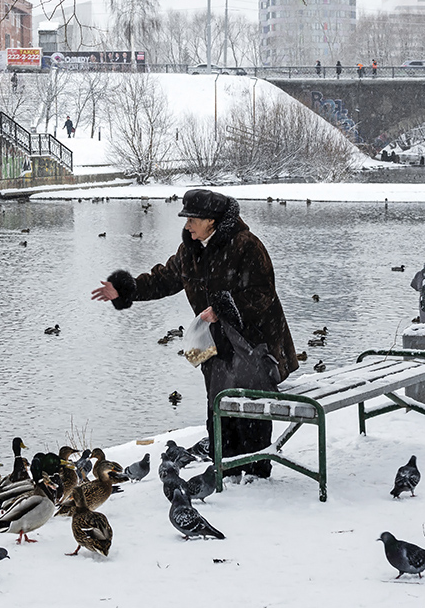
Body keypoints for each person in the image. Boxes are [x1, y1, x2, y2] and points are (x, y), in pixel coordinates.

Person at [91, 189, 298, 479]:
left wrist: (224, 308)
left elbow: (263, 294)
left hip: (254, 342)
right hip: (214, 343)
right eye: (187, 219)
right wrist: (126, 289)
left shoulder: (246, 245)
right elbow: (163, 279)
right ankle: (224, 471)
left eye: (192, 219)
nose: (187, 225)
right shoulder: (190, 249)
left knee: (250, 409)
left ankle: (255, 472)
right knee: (218, 405)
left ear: (211, 221)